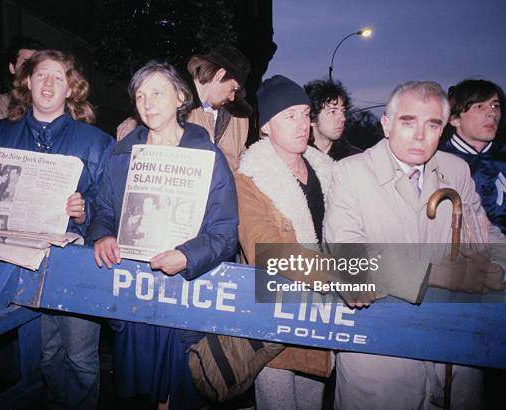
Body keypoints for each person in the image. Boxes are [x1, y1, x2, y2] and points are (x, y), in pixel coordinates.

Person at [0, 49, 113, 409]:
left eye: (58, 77)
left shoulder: (96, 142)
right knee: (46, 352)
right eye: (41, 75)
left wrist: (87, 209)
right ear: (28, 83)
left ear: (71, 88)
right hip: (15, 262)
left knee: (80, 356)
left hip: (74, 262)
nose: (48, 83)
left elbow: (111, 204)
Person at [325, 81, 504, 409]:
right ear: (387, 125)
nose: (421, 135)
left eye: (432, 124)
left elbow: (485, 236)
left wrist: (498, 270)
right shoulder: (350, 173)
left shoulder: (456, 170)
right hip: (382, 356)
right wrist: (436, 274)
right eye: (408, 122)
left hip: (452, 352)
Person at [89, 61, 238, 409]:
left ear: (180, 98)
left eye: (157, 92)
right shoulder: (121, 154)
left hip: (185, 291)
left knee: (178, 391)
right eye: (140, 95)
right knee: (138, 391)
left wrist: (188, 255)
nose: (148, 102)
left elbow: (225, 231)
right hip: (134, 293)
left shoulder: (208, 158)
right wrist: (102, 235)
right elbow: (103, 211)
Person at [235, 75, 335, 410]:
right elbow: (265, 250)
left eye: (305, 114)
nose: (302, 124)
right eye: (288, 116)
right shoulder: (249, 179)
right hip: (275, 318)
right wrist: (342, 275)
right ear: (265, 127)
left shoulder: (329, 173)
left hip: (322, 319)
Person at [116, 45, 252, 170]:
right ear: (220, 74)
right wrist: (136, 120)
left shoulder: (238, 119)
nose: (233, 97)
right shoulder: (170, 106)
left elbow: (243, 163)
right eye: (233, 88)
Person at [439, 79, 505, 234]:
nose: (492, 113)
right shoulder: (436, 163)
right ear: (454, 119)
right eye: (480, 106)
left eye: (495, 105)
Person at [0, 36, 45, 135]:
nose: (32, 69)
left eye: (37, 64)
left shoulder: (55, 106)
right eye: (26, 64)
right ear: (12, 68)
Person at [304, 78, 361, 160]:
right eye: (333, 111)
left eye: (343, 111)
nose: (343, 118)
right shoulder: (298, 158)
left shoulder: (355, 158)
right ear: (312, 119)